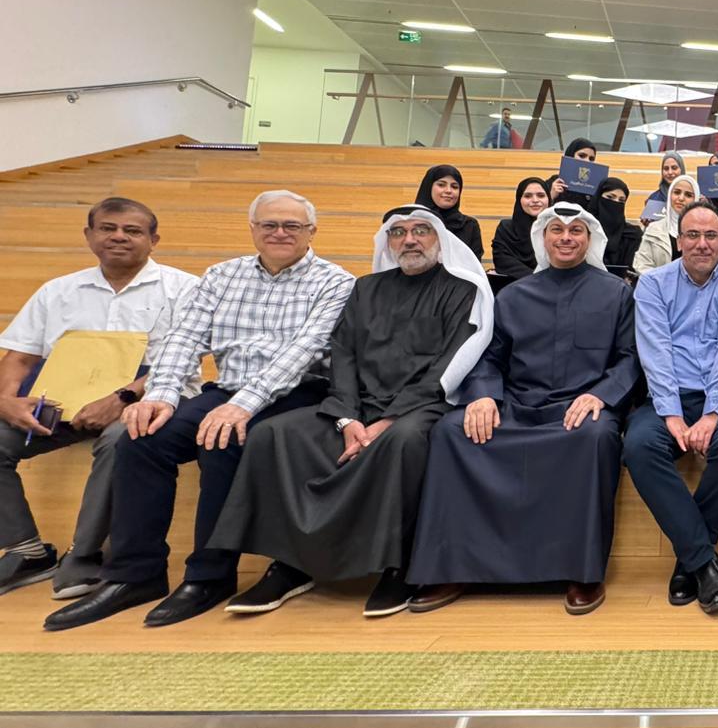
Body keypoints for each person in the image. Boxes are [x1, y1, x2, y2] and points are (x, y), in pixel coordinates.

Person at [44, 191, 355, 631]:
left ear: (311, 232)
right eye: (269, 224)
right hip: (226, 388)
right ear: (253, 229)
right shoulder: (221, 275)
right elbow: (184, 338)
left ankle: (209, 575)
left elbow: (304, 351)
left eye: (292, 226)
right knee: (141, 438)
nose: (280, 233)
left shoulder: (335, 282)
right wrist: (161, 396)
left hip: (296, 392)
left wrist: (240, 407)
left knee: (222, 439)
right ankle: (135, 574)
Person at [208, 204, 492, 618]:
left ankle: (398, 566)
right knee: (274, 434)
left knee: (403, 442)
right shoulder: (366, 289)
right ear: (387, 243)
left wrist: (387, 420)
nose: (410, 240)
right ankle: (291, 563)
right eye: (398, 233)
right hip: (356, 408)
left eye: (420, 231)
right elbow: (343, 355)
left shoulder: (461, 290)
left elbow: (452, 362)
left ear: (439, 239)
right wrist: (347, 419)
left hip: (422, 406)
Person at [405, 203, 640, 616]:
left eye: (576, 230)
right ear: (542, 238)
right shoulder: (512, 295)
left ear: (590, 239)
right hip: (517, 403)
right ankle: (452, 567)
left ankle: (581, 571)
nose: (566, 237)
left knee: (596, 436)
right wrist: (483, 395)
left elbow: (629, 357)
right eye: (557, 230)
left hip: (580, 405)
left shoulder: (617, 293)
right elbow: (489, 356)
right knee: (451, 432)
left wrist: (601, 396)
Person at [0, 198, 198, 600]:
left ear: (154, 240)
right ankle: (26, 550)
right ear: (89, 236)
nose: (119, 237)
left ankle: (86, 554)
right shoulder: (58, 291)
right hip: (62, 401)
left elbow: (181, 360)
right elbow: (19, 358)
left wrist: (122, 398)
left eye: (132, 230)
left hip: (148, 396)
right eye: (108, 228)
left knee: (123, 438)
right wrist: (6, 400)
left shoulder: (186, 289)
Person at [622, 204, 718, 615]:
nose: (702, 244)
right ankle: (703, 561)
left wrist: (712, 414)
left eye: (711, 235)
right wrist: (672, 415)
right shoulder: (652, 284)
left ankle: (690, 561)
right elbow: (655, 352)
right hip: (669, 395)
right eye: (693, 235)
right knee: (639, 446)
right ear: (678, 240)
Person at [633, 175, 701, 275]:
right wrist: (665, 280)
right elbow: (642, 264)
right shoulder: (654, 229)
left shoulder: (705, 231)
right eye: (677, 192)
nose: (681, 198)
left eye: (688, 195)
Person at [416, 165, 483, 260]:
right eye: (441, 185)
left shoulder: (469, 225)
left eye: (454, 187)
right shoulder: (410, 222)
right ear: (428, 187)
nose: (448, 191)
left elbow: (473, 264)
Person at [491, 177, 550, 280]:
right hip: (516, 285)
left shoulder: (557, 228)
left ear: (549, 199)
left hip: (555, 285)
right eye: (528, 196)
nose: (535, 200)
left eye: (541, 195)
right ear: (519, 199)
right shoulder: (506, 228)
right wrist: (537, 279)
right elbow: (502, 261)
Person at [594, 178, 642, 278]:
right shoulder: (586, 229)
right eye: (610, 197)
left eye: (621, 200)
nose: (615, 203)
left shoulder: (633, 234)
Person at [550, 138, 601, 210]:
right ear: (571, 155)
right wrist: (551, 196)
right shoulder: (555, 182)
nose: (587, 161)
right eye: (582, 156)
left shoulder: (594, 186)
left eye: (591, 159)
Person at [642, 152, 688, 220]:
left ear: (682, 169)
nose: (670, 172)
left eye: (674, 168)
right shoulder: (654, 198)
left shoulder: (692, 196)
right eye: (666, 169)